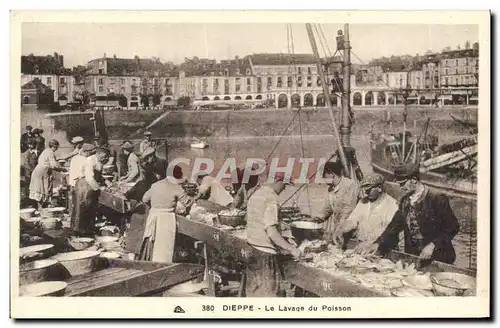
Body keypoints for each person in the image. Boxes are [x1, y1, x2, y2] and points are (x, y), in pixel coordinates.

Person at [369, 163, 460, 264]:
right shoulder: (405, 201)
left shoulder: (437, 198)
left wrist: (433, 245)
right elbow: (393, 228)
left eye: (402, 183)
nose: (400, 187)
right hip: (414, 257)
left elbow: (453, 227)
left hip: (439, 257)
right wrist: (378, 243)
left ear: (414, 180)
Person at [245, 172, 303, 297]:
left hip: (252, 248)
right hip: (265, 255)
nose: (284, 188)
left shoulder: (256, 193)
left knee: (254, 293)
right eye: (284, 184)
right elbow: (271, 232)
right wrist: (292, 249)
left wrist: (283, 228)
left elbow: (258, 220)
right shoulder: (271, 198)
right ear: (277, 180)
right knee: (270, 296)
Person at [333, 173, 399, 253]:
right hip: (362, 248)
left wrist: (370, 243)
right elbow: (353, 220)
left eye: (369, 189)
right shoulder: (363, 202)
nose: (366, 192)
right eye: (365, 189)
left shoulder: (392, 205)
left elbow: (391, 233)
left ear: (379, 188)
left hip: (381, 249)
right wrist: (341, 229)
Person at [138, 165, 185, 262]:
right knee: (164, 247)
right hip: (167, 220)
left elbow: (144, 199)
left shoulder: (155, 185)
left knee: (153, 243)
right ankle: (164, 266)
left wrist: (155, 206)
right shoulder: (177, 187)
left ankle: (150, 264)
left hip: (153, 215)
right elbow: (188, 203)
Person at [313, 160, 359, 243]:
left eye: (324, 176)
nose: (323, 179)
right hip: (339, 228)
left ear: (331, 174)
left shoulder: (349, 185)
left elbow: (348, 209)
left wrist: (340, 228)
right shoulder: (331, 189)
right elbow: (328, 207)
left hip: (350, 229)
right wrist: (318, 218)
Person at [71, 147, 111, 236]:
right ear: (99, 154)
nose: (106, 159)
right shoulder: (90, 161)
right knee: (82, 207)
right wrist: (99, 188)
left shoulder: (99, 162)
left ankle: (88, 229)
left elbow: (99, 176)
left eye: (107, 157)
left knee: (90, 207)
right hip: (83, 185)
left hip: (91, 186)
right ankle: (78, 231)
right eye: (105, 157)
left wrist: (106, 182)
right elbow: (89, 178)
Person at [28, 139, 66, 208]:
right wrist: (62, 169)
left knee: (40, 190)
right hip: (41, 173)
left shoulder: (46, 151)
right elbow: (54, 165)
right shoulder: (50, 152)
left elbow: (51, 162)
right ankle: (41, 209)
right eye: (56, 147)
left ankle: (42, 208)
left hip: (39, 172)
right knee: (41, 190)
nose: (56, 149)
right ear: (53, 146)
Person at [21, 140, 39, 205]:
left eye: (31, 144)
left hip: (36, 172)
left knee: (35, 188)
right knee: (28, 187)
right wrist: (32, 170)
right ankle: (29, 203)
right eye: (29, 144)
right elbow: (26, 163)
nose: (30, 146)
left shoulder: (37, 152)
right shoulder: (27, 153)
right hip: (29, 173)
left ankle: (35, 202)